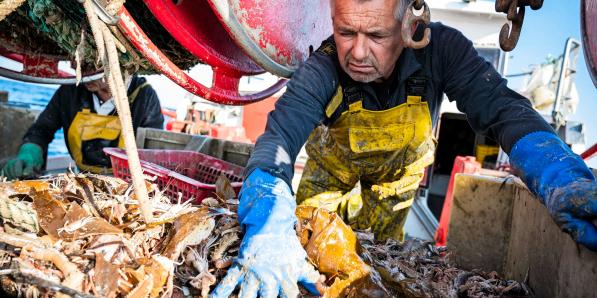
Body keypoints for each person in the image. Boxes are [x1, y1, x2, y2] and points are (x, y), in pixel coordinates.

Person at [211, 0, 597, 296]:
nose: (358, 53)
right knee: (312, 263)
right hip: (329, 179)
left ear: (410, 26)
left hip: (394, 189)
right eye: (347, 32)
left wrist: (558, 173)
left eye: (377, 36)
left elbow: (501, 108)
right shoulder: (323, 66)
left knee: (379, 268)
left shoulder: (443, 50)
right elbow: (278, 139)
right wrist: (266, 215)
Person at [1, 75, 164, 179]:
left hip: (125, 184)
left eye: (90, 65)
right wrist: (29, 153)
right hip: (81, 177)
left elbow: (152, 153)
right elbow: (42, 130)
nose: (81, 71)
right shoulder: (71, 90)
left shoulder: (144, 96)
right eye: (78, 63)